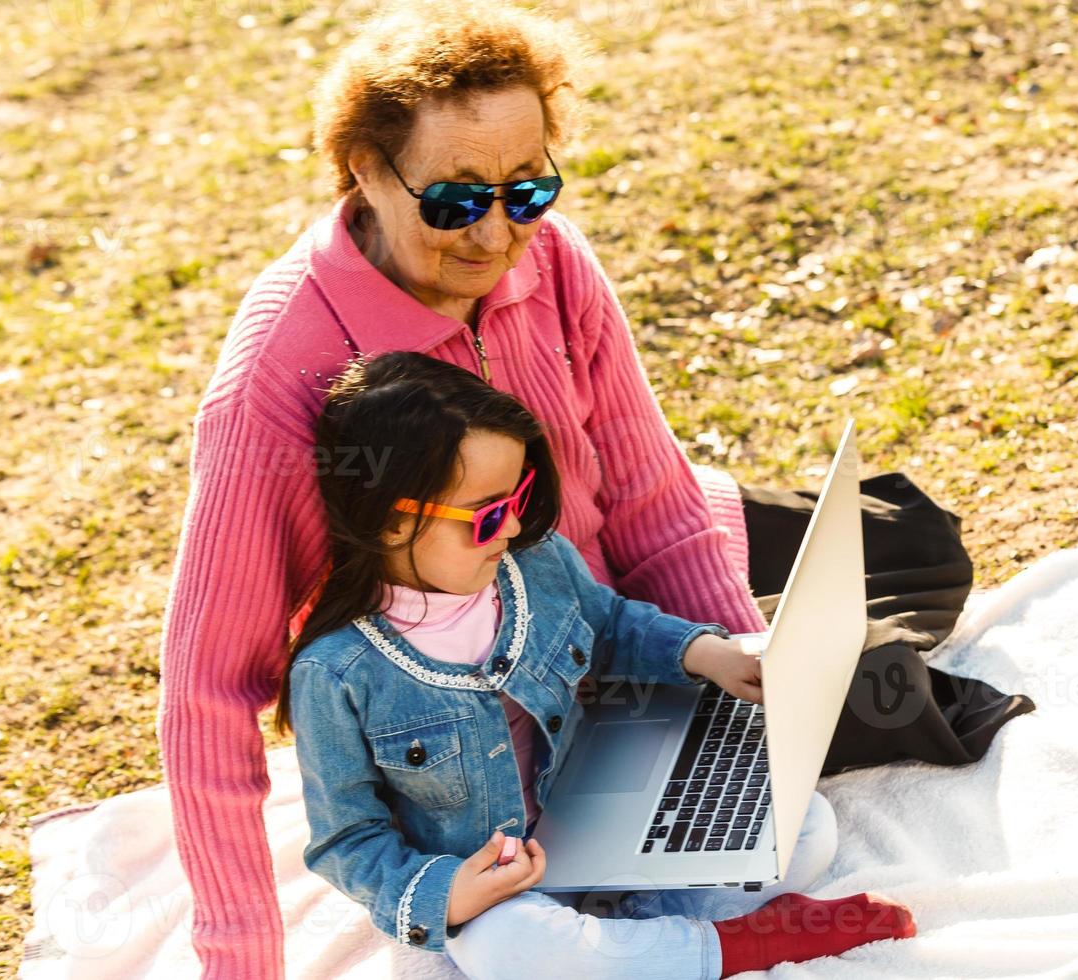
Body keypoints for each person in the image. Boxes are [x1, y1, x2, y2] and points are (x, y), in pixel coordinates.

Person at [157, 2, 1027, 975]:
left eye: (523, 191)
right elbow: (208, 689)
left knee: (917, 541)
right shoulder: (278, 381)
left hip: (604, 595)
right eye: (452, 202)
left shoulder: (557, 260)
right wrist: (240, 959)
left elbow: (655, 502)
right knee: (891, 686)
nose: (494, 237)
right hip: (502, 703)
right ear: (363, 169)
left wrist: (740, 696)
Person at [280, 351, 918, 977]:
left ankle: (649, 939)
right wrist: (446, 894)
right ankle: (732, 942)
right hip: (501, 886)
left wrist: (706, 654)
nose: (511, 530)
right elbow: (348, 839)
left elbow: (609, 624)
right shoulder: (337, 673)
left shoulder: (533, 563)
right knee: (509, 954)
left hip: (604, 811)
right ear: (394, 524)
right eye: (488, 514)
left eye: (521, 498)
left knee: (806, 826)